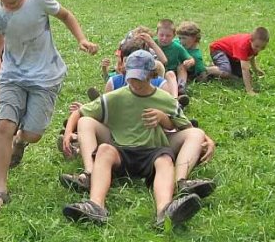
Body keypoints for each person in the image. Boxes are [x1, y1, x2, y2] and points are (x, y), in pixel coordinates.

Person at [0, 0, 99, 217]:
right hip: (12, 75)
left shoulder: (39, 0)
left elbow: (65, 15)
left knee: (33, 134)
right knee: (3, 125)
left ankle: (20, 141)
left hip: (45, 75)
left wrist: (82, 39)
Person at [61, 50, 203, 228]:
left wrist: (164, 119)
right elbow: (80, 113)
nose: (135, 83)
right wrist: (68, 132)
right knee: (104, 150)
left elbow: (187, 128)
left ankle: (165, 211)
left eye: (140, 78)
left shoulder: (165, 99)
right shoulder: (116, 96)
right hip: (121, 149)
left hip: (153, 151)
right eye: (131, 78)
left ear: (152, 75)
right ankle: (95, 205)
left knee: (165, 160)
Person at [206, 26, 269, 96]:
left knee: (242, 75)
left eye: (262, 48)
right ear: (251, 40)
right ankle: (205, 69)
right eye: (257, 46)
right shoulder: (243, 46)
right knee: (226, 71)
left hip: (231, 56)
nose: (258, 49)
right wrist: (249, 90)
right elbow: (244, 68)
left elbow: (251, 57)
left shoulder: (254, 45)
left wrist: (256, 69)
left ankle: (218, 66)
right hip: (218, 50)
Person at [155, 19, 193, 97]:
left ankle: (181, 86)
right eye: (161, 35)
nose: (164, 38)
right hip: (156, 73)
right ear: (157, 33)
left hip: (170, 73)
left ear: (174, 36)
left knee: (181, 67)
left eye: (168, 36)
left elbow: (190, 59)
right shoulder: (152, 43)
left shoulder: (177, 47)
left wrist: (190, 62)